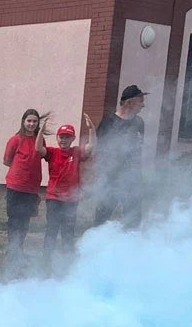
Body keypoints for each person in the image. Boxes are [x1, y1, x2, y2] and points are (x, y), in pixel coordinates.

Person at [38, 116, 96, 265]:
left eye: (67, 137)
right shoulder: (53, 152)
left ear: (72, 139)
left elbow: (91, 147)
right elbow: (38, 149)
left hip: (71, 200)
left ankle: (67, 263)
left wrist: (91, 129)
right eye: (61, 137)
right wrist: (41, 132)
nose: (64, 140)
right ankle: (46, 262)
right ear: (58, 138)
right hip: (54, 199)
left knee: (68, 233)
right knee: (51, 231)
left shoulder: (76, 152)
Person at [93, 85, 146, 228]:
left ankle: (128, 247)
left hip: (133, 179)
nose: (143, 105)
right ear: (130, 103)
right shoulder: (109, 122)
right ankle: (96, 246)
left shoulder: (139, 122)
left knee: (134, 217)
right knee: (103, 216)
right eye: (140, 101)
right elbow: (99, 151)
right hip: (112, 178)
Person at [3, 109, 45, 269]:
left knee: (25, 221)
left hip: (32, 187)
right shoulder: (15, 140)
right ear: (23, 122)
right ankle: (12, 251)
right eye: (29, 121)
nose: (31, 124)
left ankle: (18, 250)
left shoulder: (39, 141)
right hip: (15, 186)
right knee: (14, 220)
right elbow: (7, 161)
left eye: (34, 121)